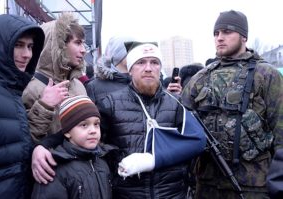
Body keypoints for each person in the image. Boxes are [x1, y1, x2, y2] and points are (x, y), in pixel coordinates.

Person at [30, 41, 206, 198]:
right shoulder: (111, 103)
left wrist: (151, 160)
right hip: (126, 194)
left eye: (154, 62)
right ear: (130, 69)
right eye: (141, 62)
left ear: (160, 68)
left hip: (172, 193)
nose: (148, 68)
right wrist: (43, 146)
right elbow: (80, 129)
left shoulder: (176, 103)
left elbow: (198, 140)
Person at [181, 10, 283, 199]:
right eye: (216, 33)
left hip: (254, 185)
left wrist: (279, 181)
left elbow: (280, 130)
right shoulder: (200, 78)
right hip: (207, 183)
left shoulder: (266, 75)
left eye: (227, 32)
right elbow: (181, 124)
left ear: (243, 36)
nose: (220, 38)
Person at [0, 14, 44, 198]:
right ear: (0, 45)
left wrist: (39, 149)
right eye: (18, 45)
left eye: (30, 46)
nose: (27, 54)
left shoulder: (12, 90)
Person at [31, 95, 115, 199]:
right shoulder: (55, 169)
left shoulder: (103, 162)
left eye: (96, 124)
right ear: (67, 132)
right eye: (84, 125)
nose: (93, 130)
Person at [22, 12, 88, 142]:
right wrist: (44, 106)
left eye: (83, 44)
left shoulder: (78, 85)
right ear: (59, 46)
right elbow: (26, 140)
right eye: (78, 43)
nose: (84, 50)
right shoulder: (30, 88)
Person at [85, 36, 134, 105]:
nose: (135, 54)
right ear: (117, 53)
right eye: (130, 50)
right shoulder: (94, 87)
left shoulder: (140, 82)